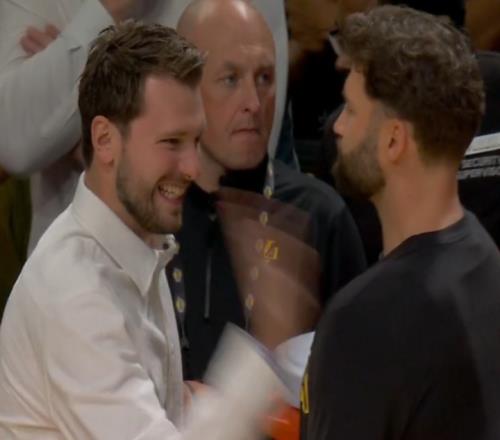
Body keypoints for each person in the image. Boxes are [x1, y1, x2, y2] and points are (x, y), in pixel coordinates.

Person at [0, 23, 286, 440]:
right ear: (105, 140)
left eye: (195, 140)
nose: (192, 167)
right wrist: (261, 357)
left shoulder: (139, 244)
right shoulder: (75, 293)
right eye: (171, 142)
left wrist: (193, 401)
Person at [301, 6, 500, 439]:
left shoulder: (364, 319)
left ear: (394, 140)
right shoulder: (487, 260)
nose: (338, 128)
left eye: (351, 110)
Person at [172, 0, 366, 382]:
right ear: (183, 88)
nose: (254, 103)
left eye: (264, 78)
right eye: (230, 79)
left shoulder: (317, 216)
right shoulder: (149, 213)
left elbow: (356, 381)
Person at [0, 0, 288, 252]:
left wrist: (96, 133)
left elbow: (245, 154)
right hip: (77, 266)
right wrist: (106, 10)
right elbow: (13, 144)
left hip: (209, 266)